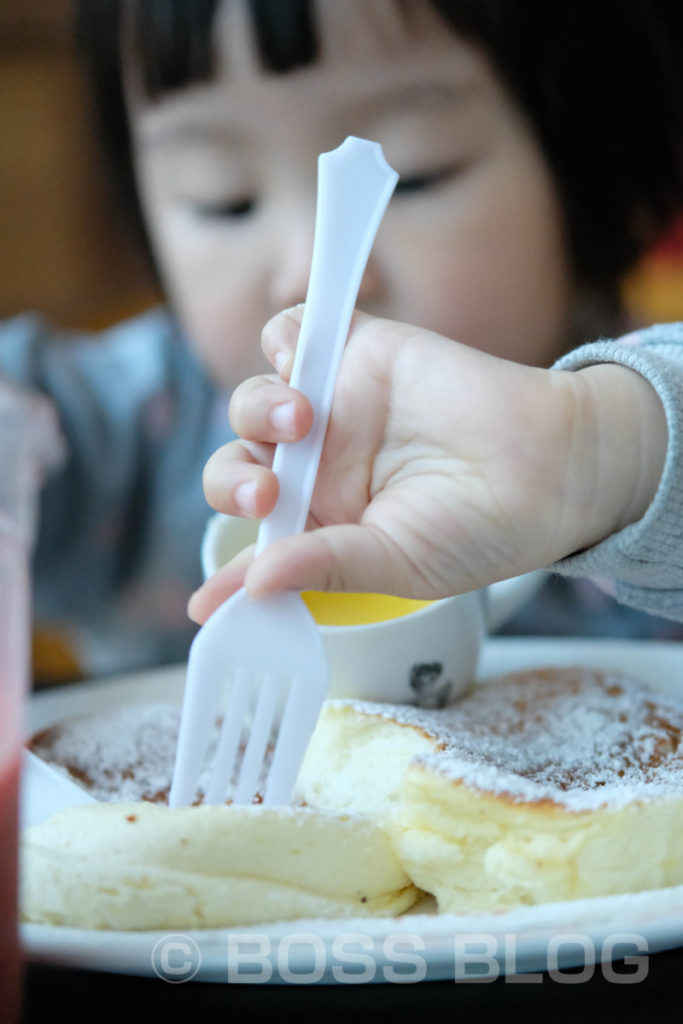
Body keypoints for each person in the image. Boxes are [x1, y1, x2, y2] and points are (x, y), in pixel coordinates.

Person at [2, 1, 683, 683]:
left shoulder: (639, 422)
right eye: (224, 197)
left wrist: (599, 454)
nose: (307, 269)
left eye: (414, 175)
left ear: (597, 169)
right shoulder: (129, 433)